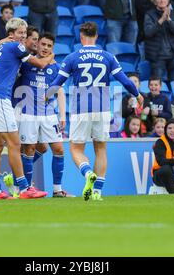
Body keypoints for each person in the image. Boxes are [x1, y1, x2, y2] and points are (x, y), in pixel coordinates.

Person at [49, 21, 140, 201]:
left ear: (81, 37)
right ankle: (98, 191)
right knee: (101, 149)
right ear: (96, 36)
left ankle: (87, 172)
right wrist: (137, 93)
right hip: (103, 109)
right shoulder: (108, 56)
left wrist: (44, 95)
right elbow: (126, 81)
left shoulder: (72, 57)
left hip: (81, 109)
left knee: (75, 148)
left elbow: (57, 84)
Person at [0, 17, 53, 200]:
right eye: (20, 33)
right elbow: (41, 64)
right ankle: (24, 188)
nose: (23, 36)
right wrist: (51, 55)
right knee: (15, 144)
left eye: (24, 33)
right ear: (11, 34)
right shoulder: (16, 46)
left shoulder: (2, 46)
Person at [12, 32, 73, 197]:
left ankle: (57, 189)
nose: (45, 48)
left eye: (49, 46)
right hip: (27, 114)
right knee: (30, 149)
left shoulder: (56, 68)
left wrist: (61, 115)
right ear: (37, 44)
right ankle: (25, 189)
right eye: (43, 44)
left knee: (59, 149)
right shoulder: (25, 62)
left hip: (48, 114)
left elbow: (59, 91)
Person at [144, 0, 174, 82]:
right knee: (157, 83)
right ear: (155, 1)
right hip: (157, 56)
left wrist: (168, 20)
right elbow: (148, 33)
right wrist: (161, 20)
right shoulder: (149, 14)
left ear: (168, 0)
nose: (162, 0)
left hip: (173, 54)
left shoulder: (173, 13)